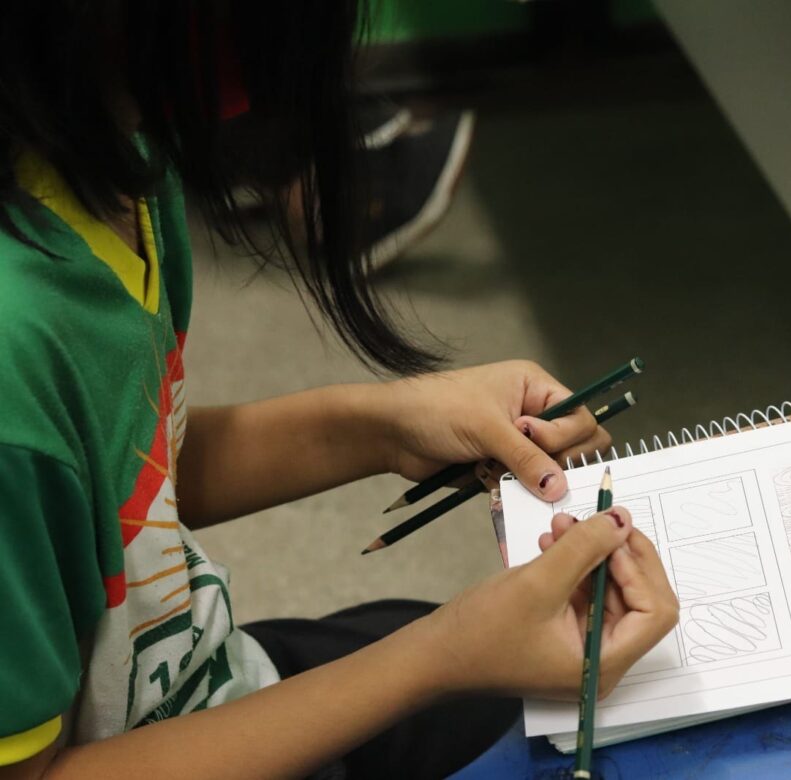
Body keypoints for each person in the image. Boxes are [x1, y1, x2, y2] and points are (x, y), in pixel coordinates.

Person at [0, 2, 679, 778]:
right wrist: (440, 658)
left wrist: (388, 425)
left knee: (439, 656)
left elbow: (125, 480)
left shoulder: (109, 161)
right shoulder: (15, 357)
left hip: (196, 685)